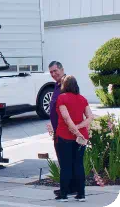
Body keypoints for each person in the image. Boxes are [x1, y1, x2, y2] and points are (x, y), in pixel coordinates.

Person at [55, 75, 94, 202]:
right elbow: (90, 117)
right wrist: (79, 129)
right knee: (78, 165)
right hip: (81, 138)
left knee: (66, 166)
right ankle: (81, 194)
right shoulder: (83, 99)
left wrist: (76, 131)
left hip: (65, 136)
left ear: (64, 85)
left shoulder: (62, 98)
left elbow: (66, 119)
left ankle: (64, 195)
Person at [47, 61, 78, 197]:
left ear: (62, 69)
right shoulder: (57, 85)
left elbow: (73, 106)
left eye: (55, 71)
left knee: (67, 162)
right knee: (63, 161)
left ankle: (68, 189)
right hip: (58, 130)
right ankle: (70, 188)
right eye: (51, 72)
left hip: (65, 130)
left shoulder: (68, 84)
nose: (54, 74)